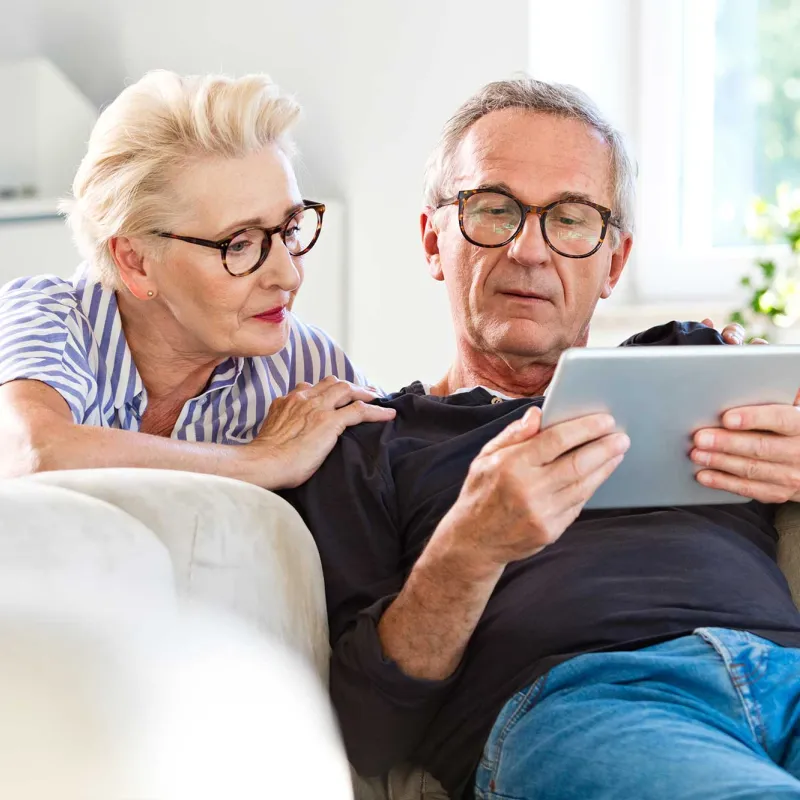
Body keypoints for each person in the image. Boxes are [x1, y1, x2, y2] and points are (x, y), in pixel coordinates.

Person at [281, 78, 800, 800]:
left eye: (571, 218)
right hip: (592, 704)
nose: (529, 250)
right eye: (493, 210)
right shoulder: (369, 444)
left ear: (613, 263)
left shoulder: (696, 361)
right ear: (435, 242)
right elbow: (370, 729)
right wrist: (471, 546)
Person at [0, 70, 394, 489]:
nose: (288, 274)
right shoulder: (46, 319)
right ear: (135, 261)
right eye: (240, 245)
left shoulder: (308, 365)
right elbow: (34, 453)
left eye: (292, 228)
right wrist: (261, 462)